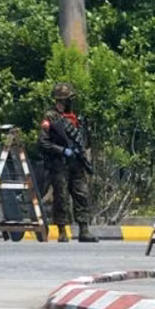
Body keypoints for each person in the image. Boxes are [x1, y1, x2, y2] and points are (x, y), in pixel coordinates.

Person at [38, 82, 98, 243]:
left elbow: (86, 140)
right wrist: (62, 150)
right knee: (61, 196)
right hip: (60, 163)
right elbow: (43, 143)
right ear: (61, 100)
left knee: (82, 194)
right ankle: (62, 231)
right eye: (68, 99)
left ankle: (84, 229)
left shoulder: (76, 118)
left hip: (76, 163)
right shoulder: (51, 117)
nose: (71, 102)